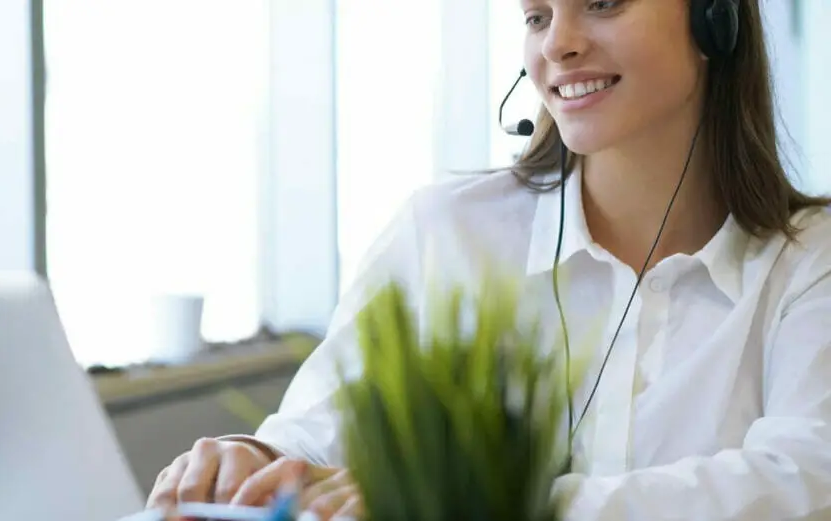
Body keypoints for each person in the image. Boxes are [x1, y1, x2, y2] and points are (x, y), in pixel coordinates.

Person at [147, 1, 831, 519]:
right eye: (537, 15)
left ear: (716, 22)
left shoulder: (809, 261)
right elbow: (326, 434)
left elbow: (805, 478)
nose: (558, 44)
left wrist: (484, 501)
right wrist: (258, 458)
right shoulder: (445, 231)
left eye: (602, 2)